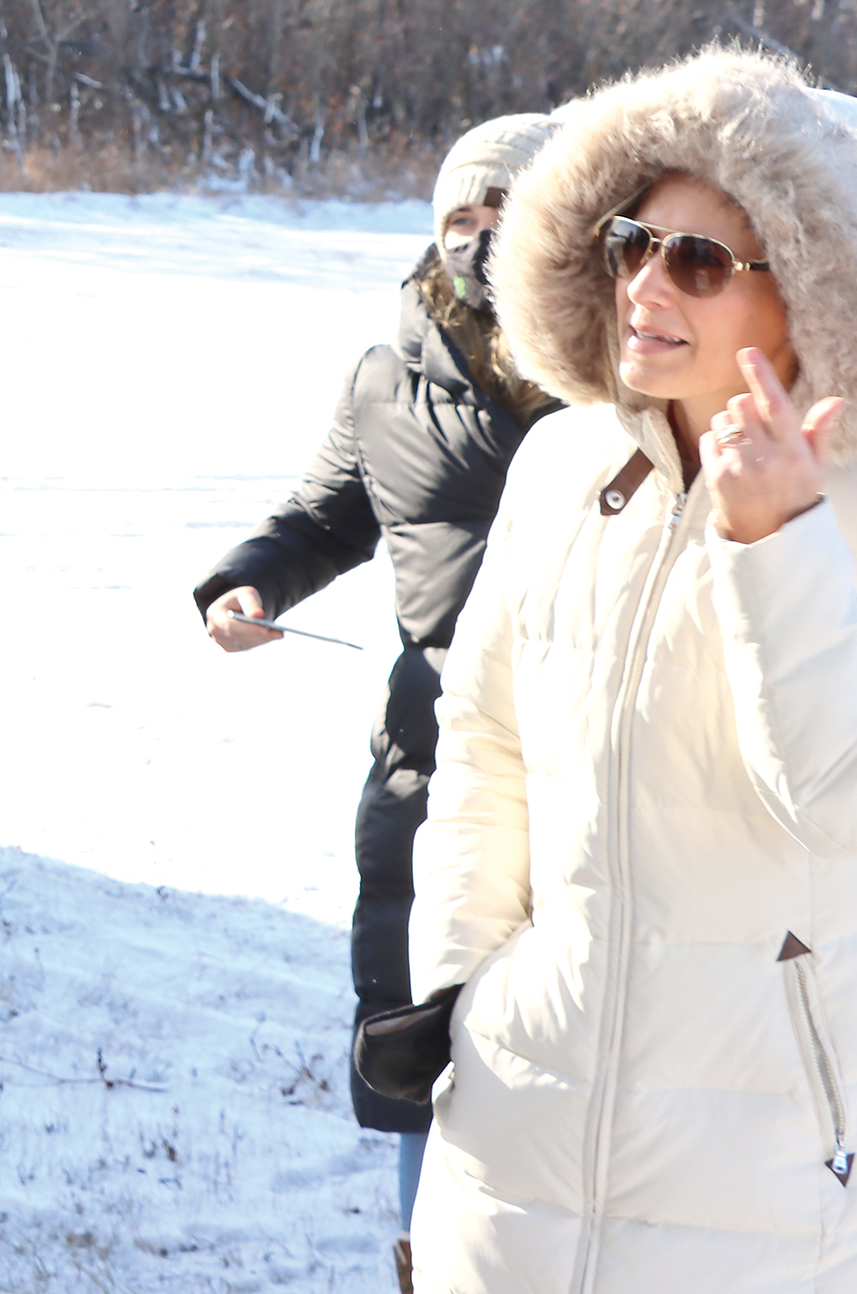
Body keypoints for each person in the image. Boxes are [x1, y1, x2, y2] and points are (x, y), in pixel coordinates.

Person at [411, 47, 857, 1291]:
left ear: (814, 292)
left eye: (700, 261)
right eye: (631, 241)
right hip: (525, 1131)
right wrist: (461, 1000)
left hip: (786, 1171)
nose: (648, 284)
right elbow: (484, 746)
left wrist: (778, 544)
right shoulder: (560, 464)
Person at [195, 111, 560, 1291]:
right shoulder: (386, 377)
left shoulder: (618, 372)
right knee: (428, 1048)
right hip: (433, 765)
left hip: (588, 763)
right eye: (461, 214)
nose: (480, 236)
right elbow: (322, 516)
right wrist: (246, 581)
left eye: (508, 211)